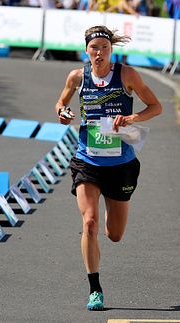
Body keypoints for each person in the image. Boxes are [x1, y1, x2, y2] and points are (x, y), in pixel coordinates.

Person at [54, 25, 162, 311]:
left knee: (114, 234)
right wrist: (63, 113)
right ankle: (95, 289)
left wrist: (130, 118)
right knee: (88, 223)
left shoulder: (127, 75)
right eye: (94, 47)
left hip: (121, 164)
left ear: (111, 50)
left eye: (104, 47)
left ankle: (108, 208)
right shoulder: (77, 76)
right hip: (87, 160)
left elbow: (156, 106)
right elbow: (61, 102)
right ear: (86, 50)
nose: (99, 52)